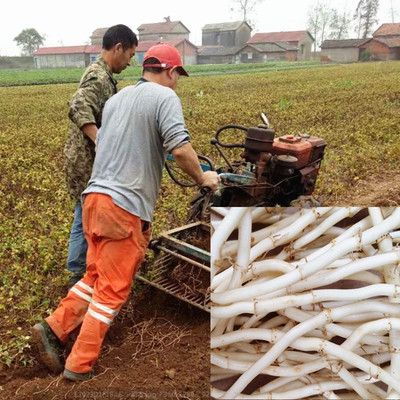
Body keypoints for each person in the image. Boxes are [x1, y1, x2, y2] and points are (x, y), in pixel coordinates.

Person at [32, 43, 220, 382]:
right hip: (123, 209)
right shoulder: (165, 99)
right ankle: (79, 366)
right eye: (178, 75)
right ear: (170, 71)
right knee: (112, 290)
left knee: (94, 278)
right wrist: (203, 178)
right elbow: (180, 148)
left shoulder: (117, 100)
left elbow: (107, 143)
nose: (177, 82)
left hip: (94, 201)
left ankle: (51, 329)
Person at [64, 24, 137, 287]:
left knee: (84, 214)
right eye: (130, 55)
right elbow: (78, 104)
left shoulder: (104, 75)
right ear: (118, 48)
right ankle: (77, 275)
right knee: (85, 217)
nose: (130, 62)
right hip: (85, 162)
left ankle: (81, 269)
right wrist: (100, 139)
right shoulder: (99, 76)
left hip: (84, 160)